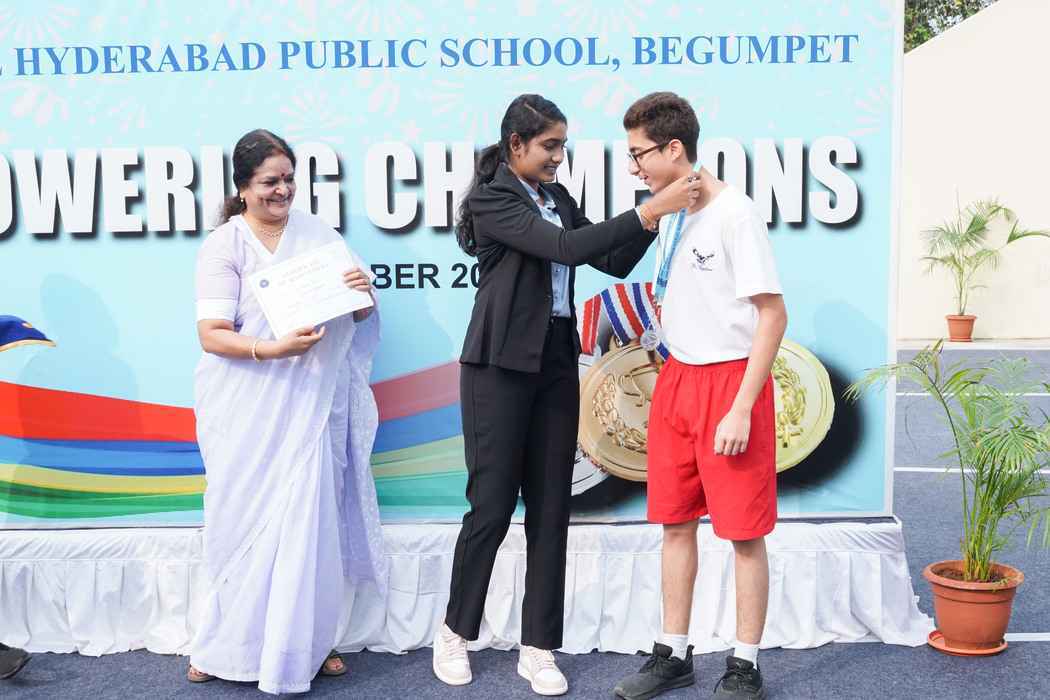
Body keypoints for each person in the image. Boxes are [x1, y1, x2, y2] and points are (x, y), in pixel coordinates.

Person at [432, 94, 703, 697]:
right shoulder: (493, 198)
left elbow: (610, 260)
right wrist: (649, 208)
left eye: (562, 145)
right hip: (497, 366)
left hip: (555, 362)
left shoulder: (556, 198)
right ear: (516, 145)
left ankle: (538, 646)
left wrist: (656, 214)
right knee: (491, 507)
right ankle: (454, 632)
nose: (559, 156)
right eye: (549, 145)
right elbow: (563, 249)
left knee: (552, 508)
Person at [188, 129, 384, 694]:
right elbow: (211, 334)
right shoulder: (224, 245)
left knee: (309, 523)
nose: (282, 190)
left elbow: (359, 314)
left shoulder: (318, 234)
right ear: (243, 187)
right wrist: (273, 349)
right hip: (246, 409)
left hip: (311, 407)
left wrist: (363, 294)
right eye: (269, 181)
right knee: (239, 524)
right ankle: (223, 647)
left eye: (289, 179)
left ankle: (308, 642)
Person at [613, 93, 787, 700]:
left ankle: (745, 664)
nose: (633, 166)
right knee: (675, 524)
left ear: (673, 149)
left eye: (639, 154)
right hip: (679, 380)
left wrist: (740, 406)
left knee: (743, 532)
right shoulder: (669, 212)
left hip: (730, 384)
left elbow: (773, 315)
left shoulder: (736, 213)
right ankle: (674, 653)